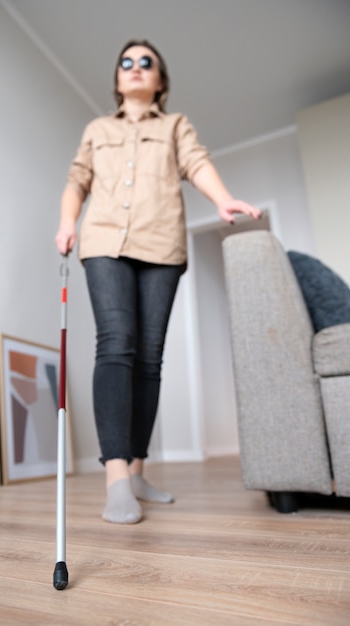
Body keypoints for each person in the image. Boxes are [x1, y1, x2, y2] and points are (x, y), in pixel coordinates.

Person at [55, 39, 262, 525]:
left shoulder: (175, 125)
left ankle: (138, 469)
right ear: (117, 77)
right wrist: (68, 222)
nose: (134, 68)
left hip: (162, 246)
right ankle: (117, 479)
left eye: (145, 62)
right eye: (125, 62)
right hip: (105, 242)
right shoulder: (97, 128)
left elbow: (196, 162)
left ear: (159, 79)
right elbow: (77, 180)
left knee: (148, 359)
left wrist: (222, 198)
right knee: (115, 344)